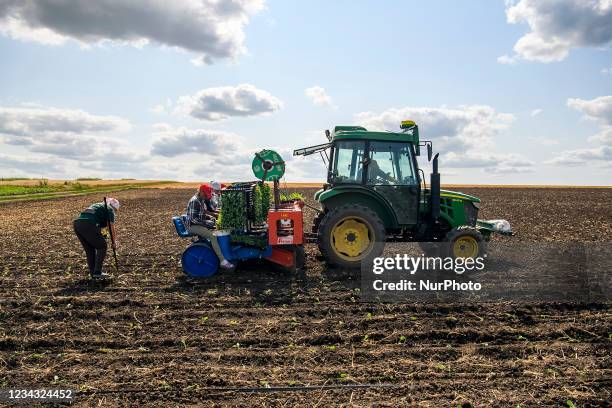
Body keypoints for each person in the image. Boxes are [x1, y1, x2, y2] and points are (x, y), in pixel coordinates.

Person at [186, 184, 234, 269]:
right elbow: (193, 219)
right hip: (192, 226)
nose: (205, 197)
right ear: (200, 192)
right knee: (213, 236)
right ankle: (222, 261)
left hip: (198, 224)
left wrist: (210, 218)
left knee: (216, 229)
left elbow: (201, 213)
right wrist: (207, 223)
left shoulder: (200, 199)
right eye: (205, 195)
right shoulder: (195, 201)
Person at [73, 197, 119, 279]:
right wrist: (114, 242)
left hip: (77, 224)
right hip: (88, 224)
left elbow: (100, 227)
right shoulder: (109, 209)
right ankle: (97, 272)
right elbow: (110, 227)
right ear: (113, 207)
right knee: (102, 246)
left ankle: (93, 273)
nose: (114, 212)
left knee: (90, 250)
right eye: (115, 210)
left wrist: (103, 235)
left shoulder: (97, 206)